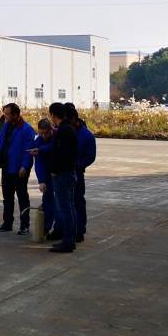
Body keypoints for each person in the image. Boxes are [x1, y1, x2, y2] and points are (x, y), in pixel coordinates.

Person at [0, 103, 35, 235]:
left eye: (7, 114)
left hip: (19, 169)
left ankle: (25, 226)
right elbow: (1, 143)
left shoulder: (27, 129)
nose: (5, 116)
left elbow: (28, 151)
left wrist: (25, 166)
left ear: (16, 115)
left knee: (22, 197)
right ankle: (7, 223)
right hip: (6, 167)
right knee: (7, 198)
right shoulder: (6, 126)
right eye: (4, 113)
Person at [46, 102, 78, 252]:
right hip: (69, 173)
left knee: (65, 208)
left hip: (63, 175)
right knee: (69, 207)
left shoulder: (64, 131)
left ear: (53, 115)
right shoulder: (68, 129)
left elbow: (62, 154)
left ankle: (68, 242)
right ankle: (70, 239)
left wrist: (54, 170)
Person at [64, 102, 96, 242]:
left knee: (77, 202)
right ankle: (65, 229)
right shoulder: (63, 131)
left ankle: (79, 230)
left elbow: (90, 156)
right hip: (63, 172)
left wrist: (77, 165)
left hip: (76, 173)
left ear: (73, 119)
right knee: (64, 203)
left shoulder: (86, 135)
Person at [29, 118, 56, 239]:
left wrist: (40, 150)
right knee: (48, 202)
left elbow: (53, 147)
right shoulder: (39, 141)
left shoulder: (58, 136)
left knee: (62, 204)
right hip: (47, 176)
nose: (44, 136)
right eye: (41, 133)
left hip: (59, 174)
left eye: (46, 133)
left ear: (51, 129)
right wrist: (41, 181)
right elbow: (39, 163)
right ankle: (45, 228)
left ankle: (60, 229)